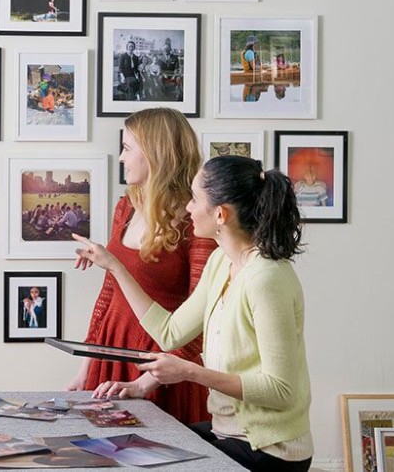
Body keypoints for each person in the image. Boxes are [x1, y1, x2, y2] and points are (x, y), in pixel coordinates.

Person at [73, 154, 313, 472]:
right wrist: (115, 267)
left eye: (195, 199)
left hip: (270, 449)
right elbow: (170, 332)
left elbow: (281, 391)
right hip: (227, 434)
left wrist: (188, 371)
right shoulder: (220, 264)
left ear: (220, 215)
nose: (187, 208)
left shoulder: (267, 278)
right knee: (122, 447)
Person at [64, 107, 216, 426]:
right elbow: (108, 295)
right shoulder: (125, 207)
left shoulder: (196, 222)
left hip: (161, 365)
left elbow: (201, 319)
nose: (121, 158)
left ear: (155, 154)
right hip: (112, 350)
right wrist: (87, 366)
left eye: (127, 148)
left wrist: (147, 383)